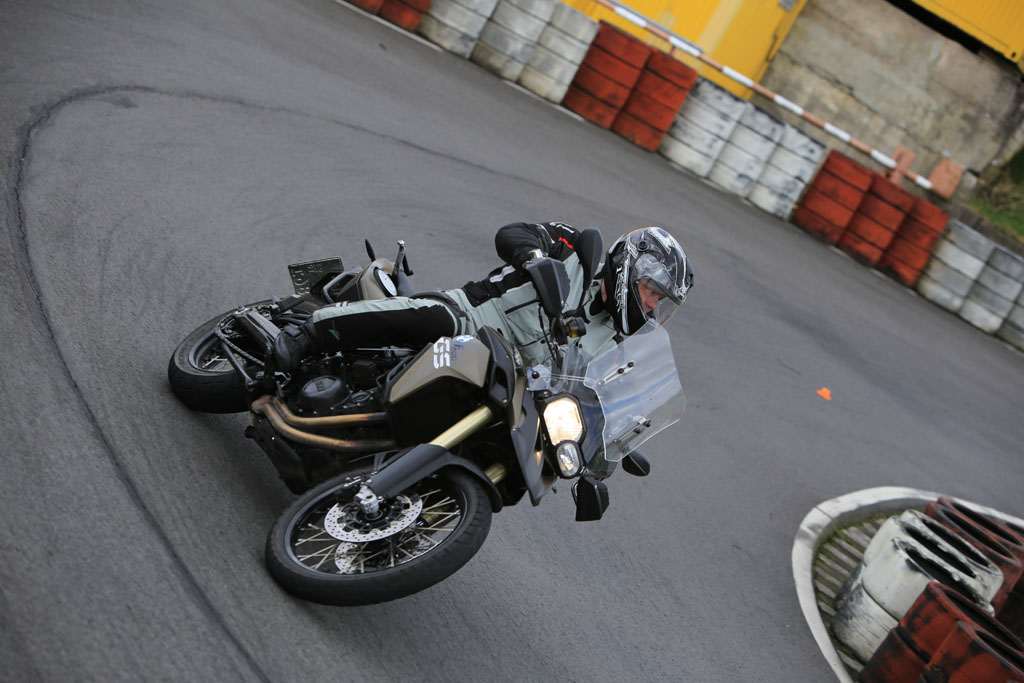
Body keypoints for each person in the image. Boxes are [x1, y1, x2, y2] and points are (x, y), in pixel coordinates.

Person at [273, 222, 693, 371]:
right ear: (628, 269)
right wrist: (534, 260)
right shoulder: (572, 250)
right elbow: (512, 233)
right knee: (433, 319)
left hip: (509, 382)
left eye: (660, 300)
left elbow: (597, 394)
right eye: (651, 291)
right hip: (470, 320)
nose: (652, 305)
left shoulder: (613, 346)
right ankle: (307, 334)